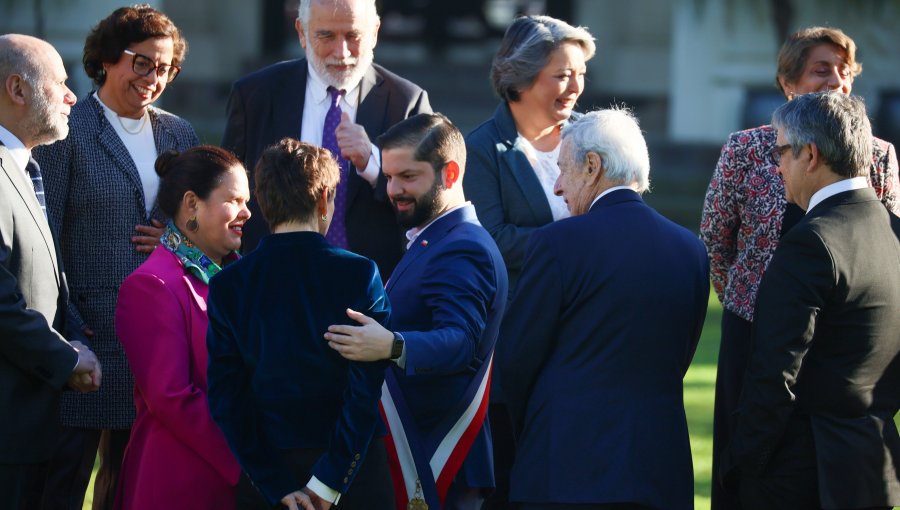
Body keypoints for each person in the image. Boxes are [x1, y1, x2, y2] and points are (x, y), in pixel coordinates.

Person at [698, 25, 900, 510]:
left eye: (843, 71)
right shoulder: (748, 147)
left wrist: (743, 464)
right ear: (789, 82)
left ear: (808, 156)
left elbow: (881, 242)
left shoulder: (875, 155)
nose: (835, 80)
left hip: (841, 328)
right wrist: (749, 301)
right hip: (758, 324)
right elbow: (715, 240)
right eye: (820, 69)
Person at [497, 108, 709, 510]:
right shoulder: (691, 250)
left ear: (592, 166)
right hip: (659, 469)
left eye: (562, 169)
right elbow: (679, 358)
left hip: (566, 466)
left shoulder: (557, 243)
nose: (558, 187)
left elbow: (517, 360)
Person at [32, 5, 198, 508]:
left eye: (165, 68)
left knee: (133, 483)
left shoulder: (180, 134)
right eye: (141, 62)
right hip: (90, 331)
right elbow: (46, 235)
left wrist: (174, 243)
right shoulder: (67, 130)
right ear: (107, 59)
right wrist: (70, 325)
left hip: (162, 332)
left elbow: (202, 226)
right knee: (66, 479)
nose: (153, 78)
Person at [324, 113, 508, 510]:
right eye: (389, 177)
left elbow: (460, 342)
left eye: (408, 177)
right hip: (419, 451)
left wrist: (391, 345)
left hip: (440, 459)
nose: (393, 190)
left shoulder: (463, 248)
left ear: (451, 172)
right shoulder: (435, 239)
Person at [207, 138, 395, 510]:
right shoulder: (359, 274)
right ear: (325, 198)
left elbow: (227, 399)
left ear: (260, 201)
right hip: (352, 471)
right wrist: (331, 480)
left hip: (270, 470)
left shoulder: (229, 284)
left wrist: (273, 483)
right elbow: (365, 391)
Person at [462, 17, 594, 507]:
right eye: (561, 74)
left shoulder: (593, 136)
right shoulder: (481, 149)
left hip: (590, 327)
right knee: (517, 471)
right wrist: (577, 241)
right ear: (521, 75)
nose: (575, 86)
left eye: (580, 73)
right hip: (521, 334)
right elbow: (491, 238)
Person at [221, 0, 432, 279]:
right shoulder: (256, 95)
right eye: (326, 36)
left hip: (369, 290)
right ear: (301, 32)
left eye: (353, 36)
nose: (341, 52)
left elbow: (430, 202)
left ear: (375, 32)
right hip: (272, 282)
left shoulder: (406, 102)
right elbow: (226, 190)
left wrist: (373, 163)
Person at [113, 146, 246, 510]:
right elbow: (172, 398)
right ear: (192, 204)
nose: (247, 213)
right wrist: (248, 456)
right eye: (234, 200)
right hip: (180, 480)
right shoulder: (153, 284)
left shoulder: (239, 277)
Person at [0, 33, 101, 509]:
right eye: (59, 83)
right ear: (17, 89)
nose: (71, 96)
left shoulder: (22, 166)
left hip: (32, 429)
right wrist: (65, 360)